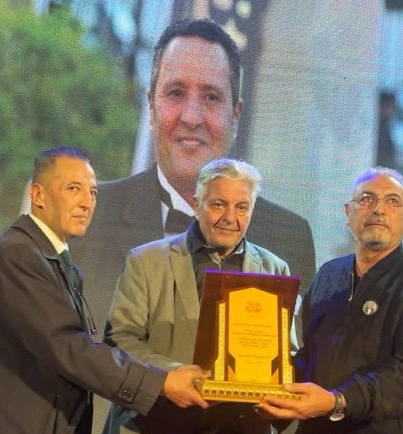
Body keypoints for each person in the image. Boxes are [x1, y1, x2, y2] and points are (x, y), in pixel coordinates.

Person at [0, 147, 208, 434]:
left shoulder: (57, 263)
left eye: (93, 192)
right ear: (38, 194)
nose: (87, 203)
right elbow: (70, 349)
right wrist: (162, 383)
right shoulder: (16, 257)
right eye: (73, 188)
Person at [68, 18, 315, 337]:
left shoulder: (289, 238)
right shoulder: (86, 217)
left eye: (211, 97)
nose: (191, 117)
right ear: (151, 108)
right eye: (175, 93)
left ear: (235, 115)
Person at [94, 158, 290, 434]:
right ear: (197, 205)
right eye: (219, 204)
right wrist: (172, 375)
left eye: (241, 207)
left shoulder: (274, 269)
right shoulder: (146, 261)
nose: (230, 217)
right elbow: (120, 339)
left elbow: (286, 351)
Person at [256, 167, 403, 434]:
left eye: (392, 201)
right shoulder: (328, 276)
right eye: (367, 199)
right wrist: (264, 385)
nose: (378, 209)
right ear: (348, 212)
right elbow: (310, 356)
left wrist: (337, 401)